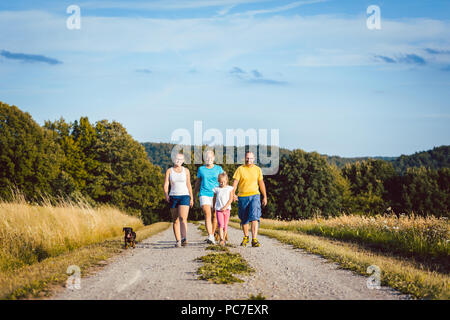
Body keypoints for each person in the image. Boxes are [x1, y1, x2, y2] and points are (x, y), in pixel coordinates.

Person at [232, 151, 267, 247]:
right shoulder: (240, 169)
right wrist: (233, 194)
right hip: (242, 196)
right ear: (245, 158)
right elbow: (235, 183)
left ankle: (254, 239)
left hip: (255, 195)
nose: (249, 160)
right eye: (247, 158)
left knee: (255, 217)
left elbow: (261, 183)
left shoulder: (257, 169)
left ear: (254, 159)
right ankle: (246, 237)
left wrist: (265, 196)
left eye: (251, 158)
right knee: (244, 219)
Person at [164, 153, 193, 247]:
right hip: (173, 196)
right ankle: (178, 240)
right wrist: (166, 194)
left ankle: (184, 238)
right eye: (177, 159)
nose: (178, 161)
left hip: (184, 196)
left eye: (180, 159)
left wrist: (191, 197)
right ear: (173, 159)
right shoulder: (169, 171)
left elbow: (188, 184)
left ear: (183, 161)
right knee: (175, 220)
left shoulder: (186, 171)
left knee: (183, 218)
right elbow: (166, 184)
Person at [194, 150, 224, 244]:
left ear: (214, 158)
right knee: (207, 214)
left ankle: (212, 234)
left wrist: (228, 192)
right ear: (204, 158)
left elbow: (224, 180)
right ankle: (210, 236)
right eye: (207, 157)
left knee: (215, 215)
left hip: (216, 194)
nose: (209, 159)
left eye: (211, 157)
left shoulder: (219, 169)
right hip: (204, 193)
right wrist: (194, 194)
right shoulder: (201, 169)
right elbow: (198, 182)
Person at [212, 172, 234, 246]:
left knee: (225, 225)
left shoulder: (229, 188)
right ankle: (221, 239)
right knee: (221, 224)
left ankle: (224, 239)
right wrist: (213, 206)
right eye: (221, 182)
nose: (222, 183)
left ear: (226, 181)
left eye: (224, 182)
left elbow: (231, 199)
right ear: (218, 181)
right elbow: (214, 199)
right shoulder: (216, 189)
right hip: (219, 210)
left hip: (227, 210)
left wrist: (225, 207)